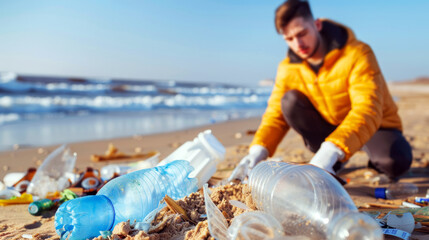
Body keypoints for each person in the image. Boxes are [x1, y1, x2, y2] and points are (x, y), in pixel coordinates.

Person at [239, 0, 412, 180]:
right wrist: (257, 150)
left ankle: (334, 155)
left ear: (317, 25)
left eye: (302, 33)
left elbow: (368, 108)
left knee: (394, 163)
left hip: (376, 126)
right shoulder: (287, 67)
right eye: (289, 39)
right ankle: (333, 159)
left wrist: (332, 149)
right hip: (328, 126)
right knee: (289, 101)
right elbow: (275, 114)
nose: (298, 44)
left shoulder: (358, 53)